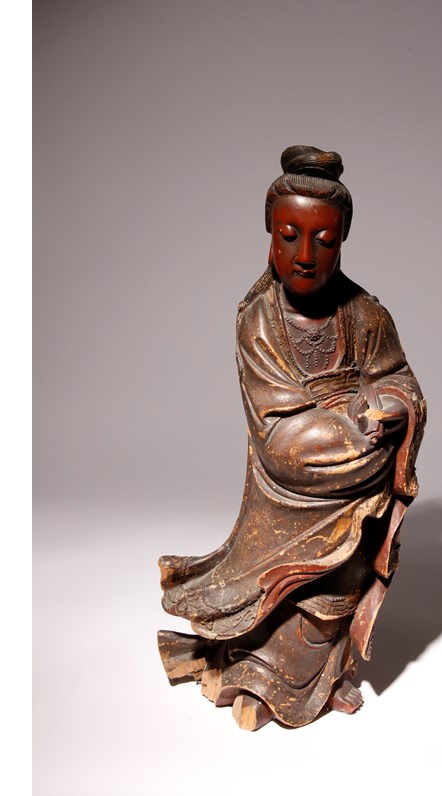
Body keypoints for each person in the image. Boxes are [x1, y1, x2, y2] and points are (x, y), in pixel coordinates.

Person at [157, 145, 426, 730]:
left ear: (344, 238)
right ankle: (257, 673)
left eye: (323, 241)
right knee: (275, 592)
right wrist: (351, 428)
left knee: (335, 590)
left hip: (355, 487)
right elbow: (277, 430)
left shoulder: (367, 315)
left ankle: (324, 678)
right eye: (290, 236)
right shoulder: (258, 318)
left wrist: (393, 407)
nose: (306, 256)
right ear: (270, 236)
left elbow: (400, 379)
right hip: (294, 479)